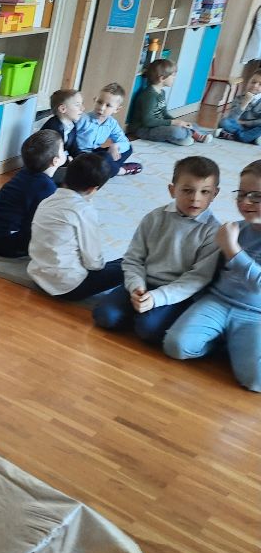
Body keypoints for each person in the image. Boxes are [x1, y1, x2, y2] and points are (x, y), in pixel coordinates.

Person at [93, 156, 222, 343]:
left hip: (176, 292)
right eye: (187, 190)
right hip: (144, 283)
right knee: (104, 316)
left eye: (205, 192)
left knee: (148, 330)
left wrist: (157, 298)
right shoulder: (154, 218)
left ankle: (145, 316)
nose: (195, 198)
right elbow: (133, 258)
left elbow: (197, 278)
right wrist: (136, 287)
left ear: (215, 194)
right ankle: (138, 312)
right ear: (172, 190)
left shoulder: (212, 231)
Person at [163, 160, 261, 392]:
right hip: (217, 301)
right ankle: (222, 343)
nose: (245, 202)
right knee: (176, 346)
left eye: (256, 196)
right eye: (241, 194)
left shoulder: (230, 238)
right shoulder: (235, 228)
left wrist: (233, 250)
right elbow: (209, 270)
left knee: (255, 380)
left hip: (256, 314)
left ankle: (234, 343)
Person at [28, 153, 123, 301]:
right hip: (69, 287)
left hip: (38, 275)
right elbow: (94, 263)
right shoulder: (83, 211)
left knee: (121, 263)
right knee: (131, 265)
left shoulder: (47, 200)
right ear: (93, 189)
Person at [0, 129, 65, 258]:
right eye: (62, 149)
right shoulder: (46, 188)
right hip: (4, 242)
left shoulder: (24, 173)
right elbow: (41, 221)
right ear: (55, 161)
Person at [128, 59, 213, 145]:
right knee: (176, 131)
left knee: (192, 125)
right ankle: (190, 135)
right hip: (144, 129)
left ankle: (186, 136)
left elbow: (164, 113)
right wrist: (173, 123)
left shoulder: (161, 92)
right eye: (173, 76)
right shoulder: (149, 95)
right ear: (162, 78)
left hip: (158, 125)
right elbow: (148, 122)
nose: (174, 78)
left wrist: (178, 122)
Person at [76, 82, 142, 177]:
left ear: (117, 109)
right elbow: (68, 138)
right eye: (99, 102)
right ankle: (120, 170)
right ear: (95, 100)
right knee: (104, 159)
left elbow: (124, 142)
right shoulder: (83, 119)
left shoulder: (112, 123)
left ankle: (106, 169)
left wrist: (115, 145)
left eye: (108, 105)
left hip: (95, 154)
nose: (101, 108)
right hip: (80, 155)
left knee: (128, 148)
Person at [217, 71, 261, 145]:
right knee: (224, 122)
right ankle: (248, 138)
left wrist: (245, 123)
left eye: (260, 84)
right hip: (238, 126)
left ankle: (233, 136)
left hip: (254, 128)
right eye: (253, 82)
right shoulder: (238, 98)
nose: (255, 86)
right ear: (248, 82)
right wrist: (244, 103)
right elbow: (232, 118)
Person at [41, 88, 84, 159]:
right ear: (63, 109)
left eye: (82, 104)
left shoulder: (72, 125)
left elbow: (73, 148)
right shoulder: (53, 127)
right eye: (77, 105)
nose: (82, 108)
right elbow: (50, 153)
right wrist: (67, 160)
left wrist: (83, 158)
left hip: (59, 159)